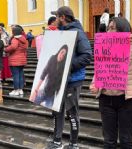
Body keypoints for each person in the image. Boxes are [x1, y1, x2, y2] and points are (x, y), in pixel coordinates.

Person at [90, 17, 132, 149]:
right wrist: (94, 84)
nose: (109, 31)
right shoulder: (104, 46)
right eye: (108, 28)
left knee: (126, 141)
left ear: (123, 29)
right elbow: (99, 69)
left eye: (113, 28)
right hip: (106, 100)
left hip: (127, 101)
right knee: (109, 141)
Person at [46, 6, 92, 149]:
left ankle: (73, 143)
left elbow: (87, 56)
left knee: (72, 113)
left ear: (63, 18)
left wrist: (68, 66)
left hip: (73, 80)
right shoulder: (60, 33)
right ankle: (57, 140)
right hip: (58, 80)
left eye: (57, 17)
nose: (55, 21)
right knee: (57, 111)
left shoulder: (78, 33)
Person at [5, 26, 28, 96]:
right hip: (22, 59)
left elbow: (13, 47)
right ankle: (20, 89)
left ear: (13, 32)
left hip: (15, 60)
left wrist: (6, 49)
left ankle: (16, 90)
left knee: (15, 76)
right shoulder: (24, 39)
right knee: (20, 75)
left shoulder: (15, 39)